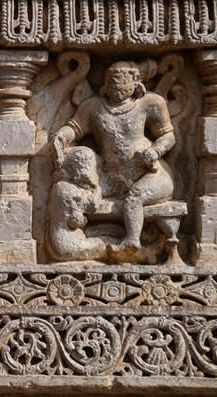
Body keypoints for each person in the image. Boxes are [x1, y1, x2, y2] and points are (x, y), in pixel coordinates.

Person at [52, 60, 176, 257]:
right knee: (87, 195)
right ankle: (80, 236)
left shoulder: (150, 103)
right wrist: (61, 137)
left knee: (134, 197)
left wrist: (155, 151)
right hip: (113, 176)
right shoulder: (93, 107)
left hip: (150, 174)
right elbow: (75, 128)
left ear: (135, 82)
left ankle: (132, 240)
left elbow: (168, 136)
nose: (116, 86)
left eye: (122, 82)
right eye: (111, 82)